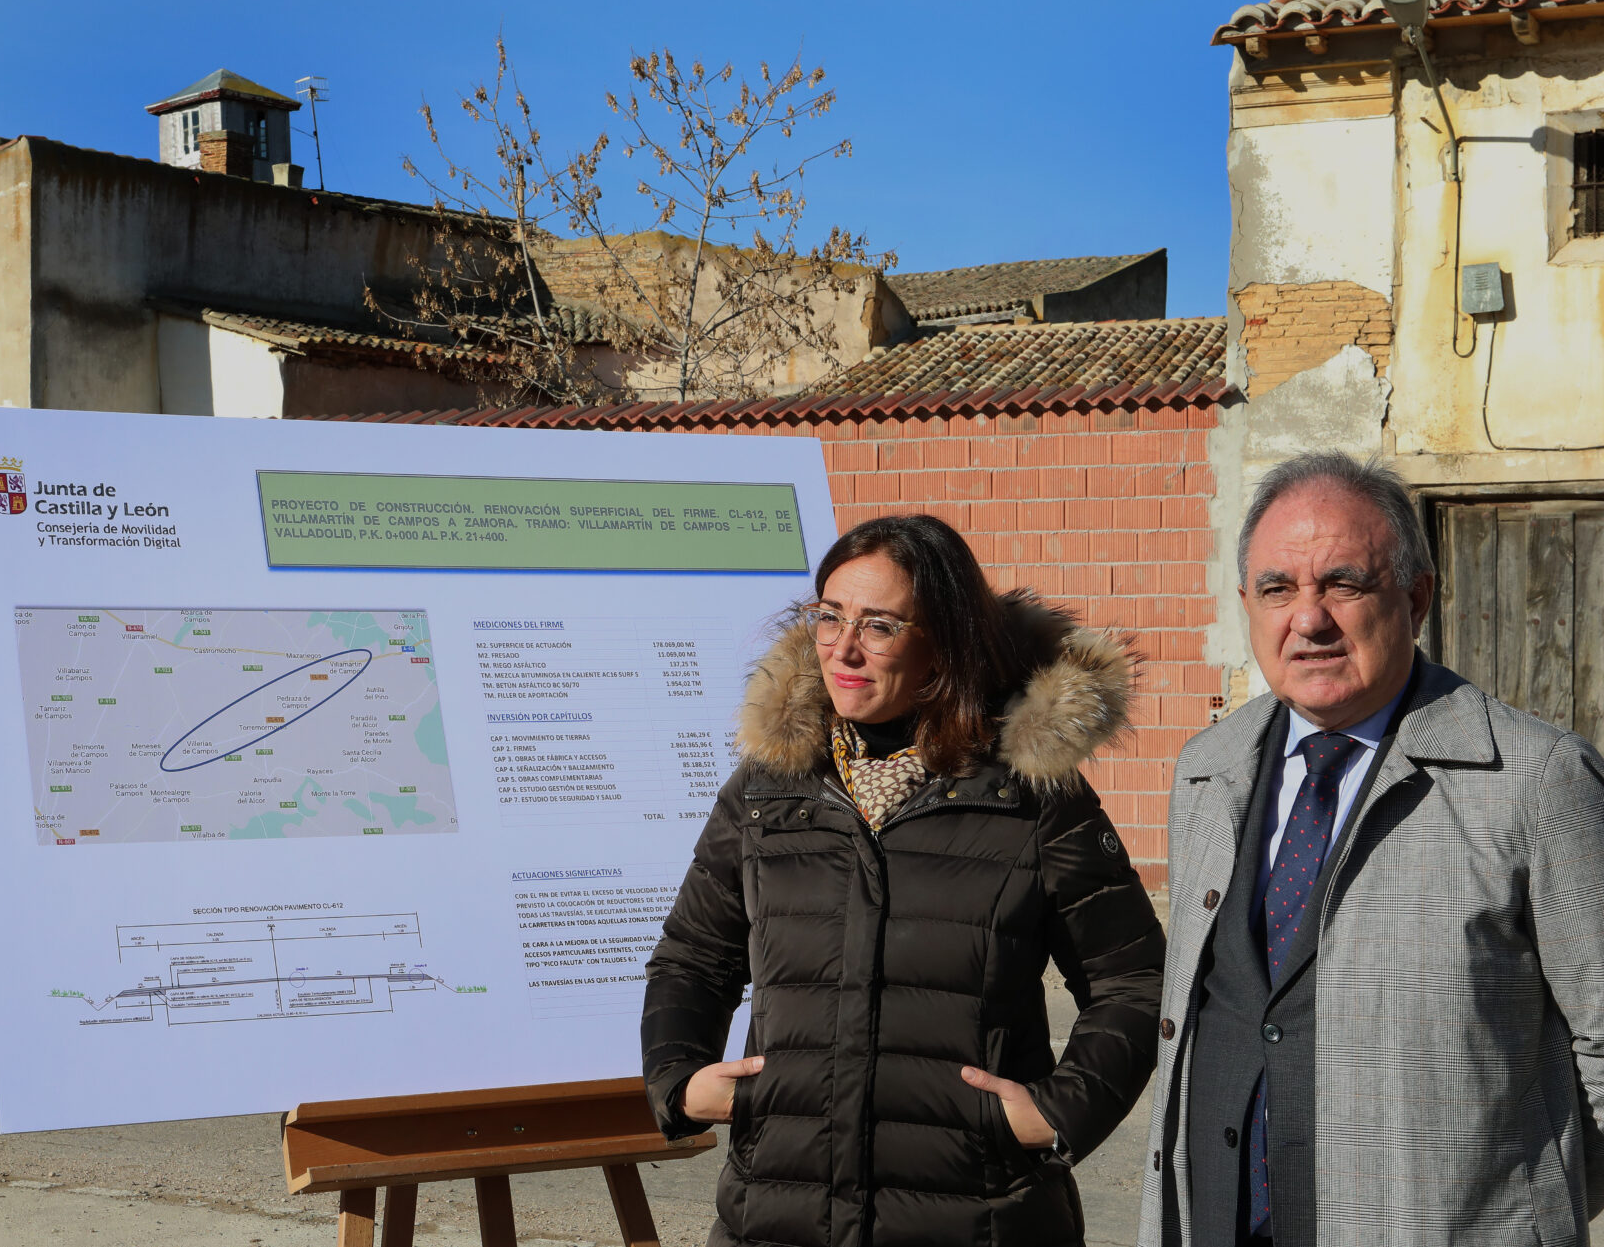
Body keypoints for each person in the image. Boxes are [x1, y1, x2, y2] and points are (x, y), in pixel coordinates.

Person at [642, 513, 1165, 1247]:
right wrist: (679, 1077)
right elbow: (691, 958)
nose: (844, 648)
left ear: (943, 642)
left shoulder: (1028, 794)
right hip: (779, 1216)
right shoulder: (768, 789)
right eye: (829, 617)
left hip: (979, 1217)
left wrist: (1056, 1112)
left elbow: (1136, 981)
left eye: (880, 625)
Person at [1137, 452, 1604, 1246]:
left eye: (1343, 583)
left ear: (1416, 598)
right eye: (1279, 588)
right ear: (1247, 604)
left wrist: (1518, 1218)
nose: (1309, 618)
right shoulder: (1205, 771)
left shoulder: (1538, 779)